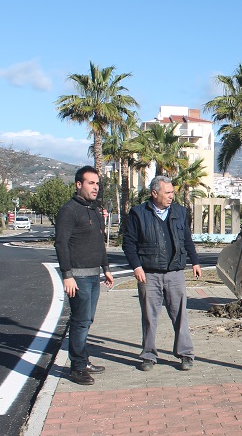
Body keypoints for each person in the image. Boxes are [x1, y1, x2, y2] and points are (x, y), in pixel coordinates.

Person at [122, 175, 201, 371]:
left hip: (175, 272)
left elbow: (187, 239)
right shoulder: (138, 213)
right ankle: (148, 355)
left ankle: (185, 354)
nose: (171, 196)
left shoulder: (180, 212)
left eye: (172, 192)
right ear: (154, 193)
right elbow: (129, 243)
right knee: (149, 317)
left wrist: (195, 262)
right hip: (149, 274)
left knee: (180, 315)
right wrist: (136, 267)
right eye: (167, 193)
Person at [54, 165, 114, 385]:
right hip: (78, 277)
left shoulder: (94, 210)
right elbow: (61, 244)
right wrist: (67, 275)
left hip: (94, 275)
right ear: (79, 184)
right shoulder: (69, 211)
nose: (95, 187)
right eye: (91, 183)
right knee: (80, 322)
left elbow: (99, 243)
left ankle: (83, 360)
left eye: (97, 183)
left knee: (87, 320)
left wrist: (106, 268)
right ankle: (77, 367)